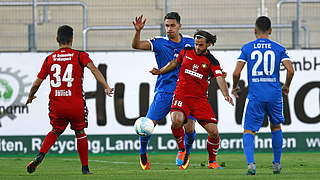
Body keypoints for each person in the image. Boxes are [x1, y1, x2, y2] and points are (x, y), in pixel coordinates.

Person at [25, 25, 114, 175]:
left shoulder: (49, 59)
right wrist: (106, 86)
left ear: (57, 39)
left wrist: (30, 96)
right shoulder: (80, 56)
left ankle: (40, 155)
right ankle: (85, 169)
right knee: (80, 132)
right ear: (72, 39)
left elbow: (36, 83)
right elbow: (94, 70)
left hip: (57, 104)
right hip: (76, 104)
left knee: (55, 130)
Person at [150, 30, 234, 169]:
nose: (197, 47)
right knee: (176, 120)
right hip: (181, 94)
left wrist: (226, 94)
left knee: (214, 132)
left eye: (201, 45)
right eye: (196, 44)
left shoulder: (212, 61)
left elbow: (219, 77)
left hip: (199, 100)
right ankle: (181, 149)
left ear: (208, 44)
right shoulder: (187, 51)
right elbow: (174, 63)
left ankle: (212, 162)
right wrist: (160, 71)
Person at [132, 12, 197, 170]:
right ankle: (143, 152)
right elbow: (136, 45)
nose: (169, 28)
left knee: (189, 127)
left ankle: (185, 151)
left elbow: (203, 58)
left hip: (186, 92)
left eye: (172, 25)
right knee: (146, 125)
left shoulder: (190, 42)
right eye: (167, 25)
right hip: (165, 91)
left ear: (179, 26)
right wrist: (138, 31)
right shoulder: (160, 42)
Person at [231, 16, 294, 175]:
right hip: (274, 95)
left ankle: (251, 165)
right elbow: (291, 70)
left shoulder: (247, 48)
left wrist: (234, 86)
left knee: (249, 131)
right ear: (271, 30)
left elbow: (236, 72)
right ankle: (277, 164)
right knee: (276, 127)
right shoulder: (279, 48)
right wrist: (286, 86)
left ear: (254, 30)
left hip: (256, 95)